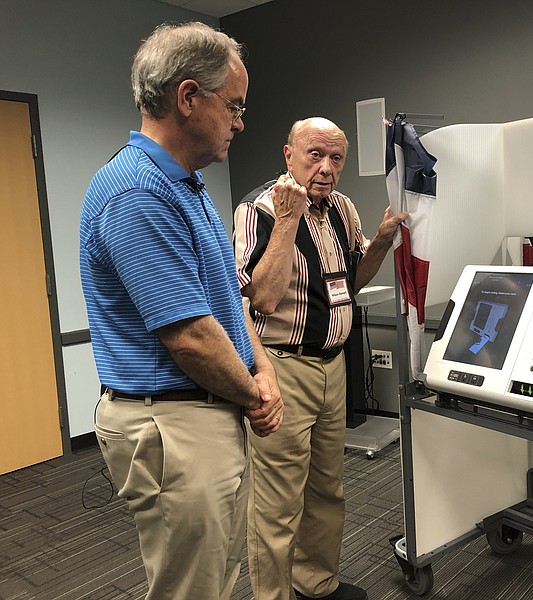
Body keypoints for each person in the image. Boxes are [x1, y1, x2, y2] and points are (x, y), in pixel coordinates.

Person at [79, 22, 284, 600]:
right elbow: (190, 336)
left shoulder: (185, 187)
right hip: (173, 421)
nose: (240, 124)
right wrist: (256, 393)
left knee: (215, 580)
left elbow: (224, 301)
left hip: (207, 409)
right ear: (188, 97)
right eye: (235, 108)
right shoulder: (137, 191)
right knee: (190, 590)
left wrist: (262, 370)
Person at [233, 117, 407, 600]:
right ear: (287, 155)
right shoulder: (260, 209)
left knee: (327, 488)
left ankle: (316, 583)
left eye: (336, 159)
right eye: (315, 155)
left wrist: (383, 239)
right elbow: (262, 299)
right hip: (283, 366)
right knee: (278, 499)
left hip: (334, 365)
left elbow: (351, 280)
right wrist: (289, 220)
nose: (326, 168)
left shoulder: (341, 208)